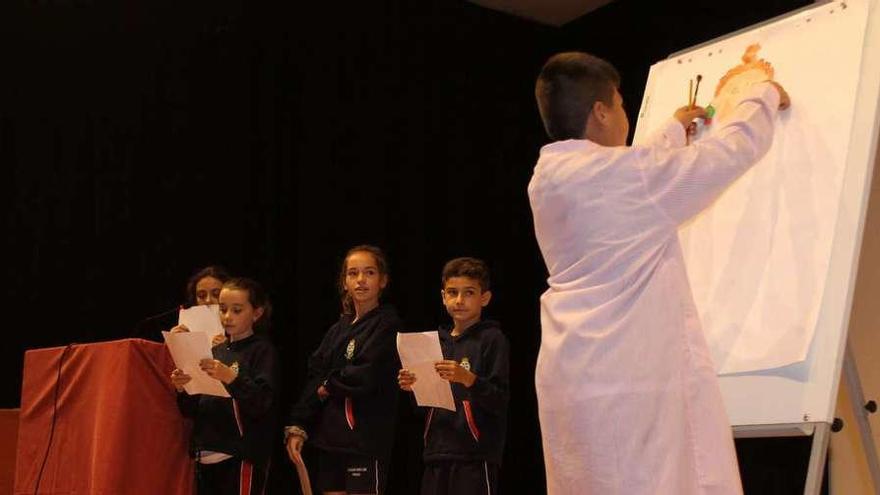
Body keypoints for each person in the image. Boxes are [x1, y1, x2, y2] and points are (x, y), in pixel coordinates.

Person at [528, 52, 790, 494]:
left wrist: (671, 132)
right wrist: (760, 94)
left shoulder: (546, 178)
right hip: (628, 377)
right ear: (601, 112)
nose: (626, 116)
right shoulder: (628, 177)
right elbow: (727, 153)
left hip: (572, 374)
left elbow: (628, 180)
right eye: (621, 104)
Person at [285, 245, 402, 495]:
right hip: (330, 442)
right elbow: (315, 376)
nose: (360, 280)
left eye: (369, 273)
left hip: (364, 442)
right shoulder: (337, 330)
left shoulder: (387, 324)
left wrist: (329, 384)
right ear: (345, 282)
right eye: (353, 273)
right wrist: (299, 425)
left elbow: (366, 375)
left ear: (383, 280)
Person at [398, 257, 509, 495]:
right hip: (437, 451)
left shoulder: (492, 340)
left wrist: (468, 379)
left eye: (468, 292)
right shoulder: (435, 343)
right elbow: (423, 408)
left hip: (475, 455)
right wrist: (414, 387)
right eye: (452, 292)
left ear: (485, 298)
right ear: (443, 297)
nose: (459, 300)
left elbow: (500, 399)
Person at [170, 277, 280, 495]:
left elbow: (262, 403)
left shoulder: (261, 351)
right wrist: (183, 388)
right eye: (223, 309)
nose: (227, 317)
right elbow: (192, 409)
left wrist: (230, 376)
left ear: (256, 314)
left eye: (237, 310)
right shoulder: (214, 350)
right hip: (206, 455)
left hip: (240, 456)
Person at [173, 266, 232, 345]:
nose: (208, 300)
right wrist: (172, 344)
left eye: (216, 294)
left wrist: (229, 350)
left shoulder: (240, 328)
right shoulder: (186, 325)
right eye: (201, 296)